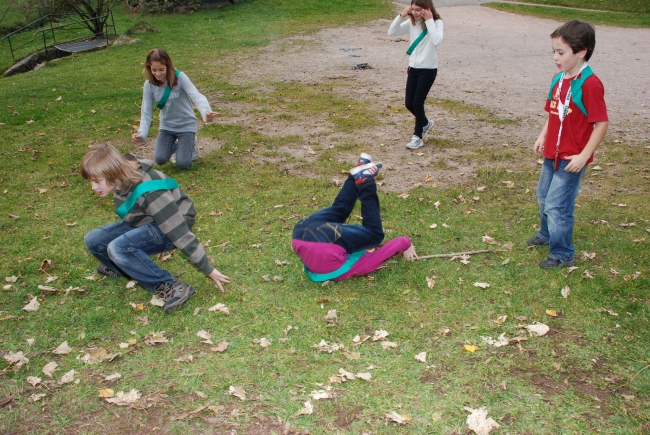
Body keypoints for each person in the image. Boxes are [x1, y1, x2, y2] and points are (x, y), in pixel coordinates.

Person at [81, 144, 230, 313]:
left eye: (96, 181)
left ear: (112, 173)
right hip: (149, 220)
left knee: (119, 248)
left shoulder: (150, 191)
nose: (93, 187)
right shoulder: (121, 179)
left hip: (170, 225)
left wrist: (207, 268)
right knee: (93, 240)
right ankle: (124, 267)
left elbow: (178, 231)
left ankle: (172, 286)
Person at [528, 20, 608, 268]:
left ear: (581, 51)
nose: (555, 57)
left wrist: (584, 156)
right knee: (543, 196)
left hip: (572, 159)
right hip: (553, 153)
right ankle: (546, 233)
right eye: (553, 51)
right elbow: (553, 113)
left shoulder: (590, 84)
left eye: (561, 52)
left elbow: (601, 123)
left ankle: (562, 254)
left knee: (558, 205)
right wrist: (543, 136)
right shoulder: (559, 79)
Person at [292, 154, 418, 282]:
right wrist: (406, 244)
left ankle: (362, 176)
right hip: (299, 233)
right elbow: (398, 243)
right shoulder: (359, 266)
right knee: (344, 212)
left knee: (374, 236)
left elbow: (395, 244)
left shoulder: (347, 265)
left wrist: (406, 244)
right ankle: (361, 176)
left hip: (323, 242)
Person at [132, 48, 217, 170]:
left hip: (186, 125)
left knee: (182, 164)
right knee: (160, 159)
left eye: (161, 69)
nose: (158, 73)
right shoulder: (149, 85)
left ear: (168, 66)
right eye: (154, 70)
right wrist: (142, 134)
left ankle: (190, 145)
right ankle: (181, 145)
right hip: (167, 126)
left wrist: (206, 113)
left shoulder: (180, 77)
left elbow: (196, 96)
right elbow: (146, 111)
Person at [388, 0, 443, 150]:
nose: (415, 13)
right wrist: (401, 15)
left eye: (419, 10)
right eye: (413, 9)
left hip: (428, 69)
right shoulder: (411, 23)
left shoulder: (436, 23)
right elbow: (392, 32)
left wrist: (430, 20)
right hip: (413, 68)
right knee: (409, 103)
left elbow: (437, 40)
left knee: (418, 102)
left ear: (428, 9)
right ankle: (425, 122)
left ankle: (418, 136)